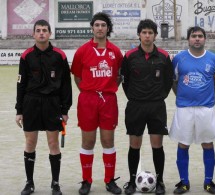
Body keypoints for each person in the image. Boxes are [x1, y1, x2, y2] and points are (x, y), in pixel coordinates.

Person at [15, 19, 72, 195]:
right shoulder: (26, 56)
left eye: (45, 30)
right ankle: (29, 183)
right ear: (33, 34)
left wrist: (65, 110)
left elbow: (66, 85)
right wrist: (19, 110)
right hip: (31, 103)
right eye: (38, 30)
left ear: (50, 34)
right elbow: (21, 84)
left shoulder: (59, 55)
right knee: (30, 143)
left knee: (53, 143)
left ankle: (55, 183)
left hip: (52, 104)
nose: (41, 33)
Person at [71, 12, 123, 195]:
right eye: (97, 25)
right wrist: (90, 91)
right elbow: (77, 77)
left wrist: (106, 89)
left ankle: (110, 181)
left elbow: (118, 77)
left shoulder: (115, 51)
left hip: (108, 99)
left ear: (108, 28)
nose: (100, 28)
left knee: (108, 140)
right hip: (88, 100)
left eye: (103, 25)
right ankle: (86, 181)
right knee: (88, 141)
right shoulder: (82, 51)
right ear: (92, 28)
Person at [121, 19, 173, 195]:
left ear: (155, 35)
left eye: (150, 32)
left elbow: (168, 82)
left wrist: (158, 97)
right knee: (134, 144)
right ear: (139, 35)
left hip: (157, 106)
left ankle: (160, 181)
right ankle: (131, 179)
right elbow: (125, 82)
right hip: (135, 105)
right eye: (144, 32)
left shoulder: (164, 57)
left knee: (157, 144)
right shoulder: (129, 56)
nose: (147, 36)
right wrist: (136, 97)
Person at [169, 26, 215, 194]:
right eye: (194, 36)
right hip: (184, 109)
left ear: (205, 39)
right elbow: (174, 81)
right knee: (183, 144)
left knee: (207, 143)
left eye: (200, 36)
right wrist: (183, 96)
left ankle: (208, 182)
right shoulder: (179, 59)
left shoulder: (214, 59)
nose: (197, 39)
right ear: (188, 39)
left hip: (206, 109)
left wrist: (205, 96)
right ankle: (184, 182)